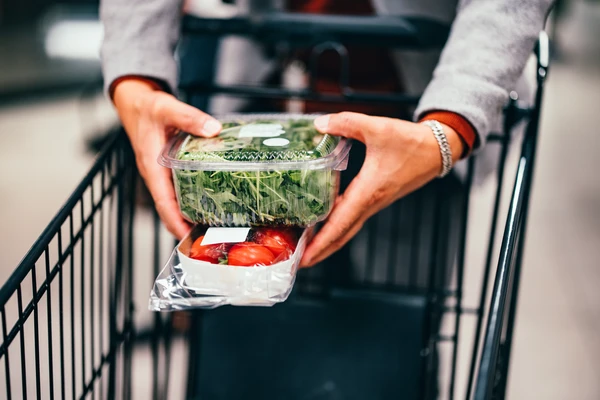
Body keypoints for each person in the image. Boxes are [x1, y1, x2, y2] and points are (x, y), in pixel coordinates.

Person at [100, 0, 552, 268]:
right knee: (246, 336)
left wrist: (449, 125)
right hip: (269, 80)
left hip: (411, 101)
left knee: (391, 332)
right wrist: (135, 74)